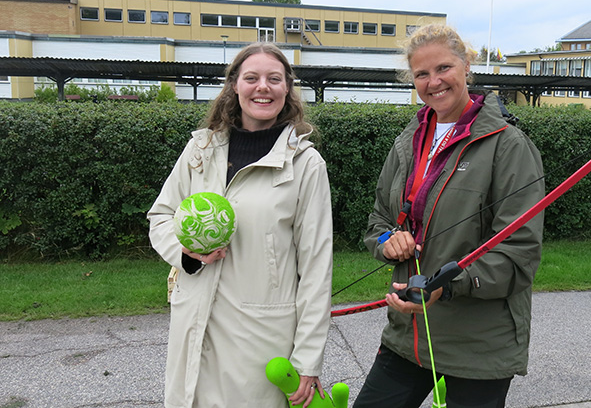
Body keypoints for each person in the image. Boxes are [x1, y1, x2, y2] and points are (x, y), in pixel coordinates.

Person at [354, 24, 545, 408]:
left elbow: (518, 253)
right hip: (408, 335)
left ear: (466, 66)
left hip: (479, 345)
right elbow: (377, 223)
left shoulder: (508, 145)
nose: (434, 82)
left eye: (443, 68)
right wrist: (386, 242)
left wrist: (448, 284)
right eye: (422, 74)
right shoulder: (407, 142)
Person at [147, 43, 333, 408]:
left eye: (274, 79)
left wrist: (308, 359)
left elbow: (316, 266)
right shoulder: (201, 149)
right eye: (251, 78)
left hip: (259, 336)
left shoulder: (305, 164)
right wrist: (186, 255)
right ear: (235, 85)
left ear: (287, 89)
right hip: (194, 321)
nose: (262, 87)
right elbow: (161, 216)